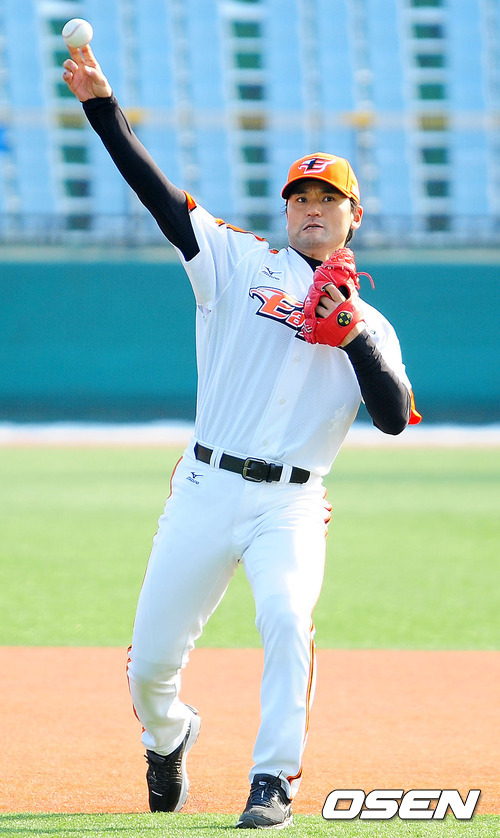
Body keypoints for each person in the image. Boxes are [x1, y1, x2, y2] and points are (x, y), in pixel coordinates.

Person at [63, 43, 421, 830]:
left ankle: (272, 781)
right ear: (286, 212)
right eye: (301, 197)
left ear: (355, 216)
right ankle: (169, 734)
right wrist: (101, 107)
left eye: (329, 198)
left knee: (288, 621)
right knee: (151, 668)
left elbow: (395, 415)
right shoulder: (235, 262)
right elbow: (160, 198)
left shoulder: (373, 323)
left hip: (291, 505)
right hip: (205, 487)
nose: (313, 207)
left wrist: (353, 337)